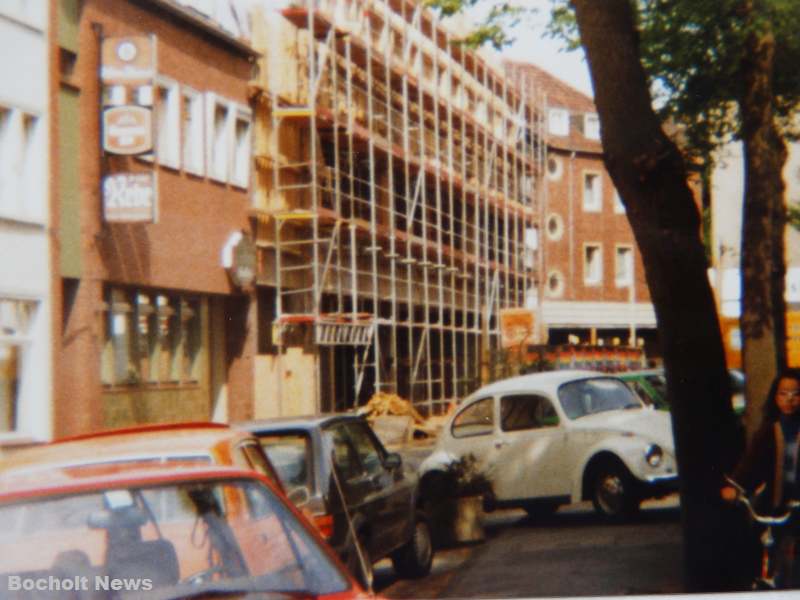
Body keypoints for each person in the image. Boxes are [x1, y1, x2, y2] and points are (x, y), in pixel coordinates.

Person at [721, 368, 800, 587]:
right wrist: (735, 487)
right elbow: (751, 463)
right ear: (775, 397)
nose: (789, 400)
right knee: (764, 549)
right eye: (783, 394)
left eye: (795, 394)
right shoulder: (769, 431)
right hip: (776, 503)